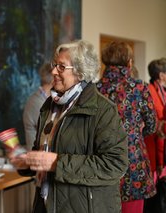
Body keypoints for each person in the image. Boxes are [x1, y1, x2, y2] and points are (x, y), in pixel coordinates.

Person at [10, 39, 128, 213]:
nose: (53, 71)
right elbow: (42, 152)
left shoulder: (103, 110)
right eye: (54, 64)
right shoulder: (49, 106)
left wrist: (58, 163)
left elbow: (115, 164)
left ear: (80, 72)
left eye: (61, 67)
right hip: (45, 204)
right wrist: (26, 163)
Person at [96, 41, 157, 213]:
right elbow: (152, 126)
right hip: (133, 162)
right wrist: (134, 135)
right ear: (129, 62)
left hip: (101, 162)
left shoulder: (95, 89)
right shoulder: (139, 87)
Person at [23, 63, 53, 150]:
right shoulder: (36, 102)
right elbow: (51, 131)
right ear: (53, 80)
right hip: (36, 157)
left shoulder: (44, 99)